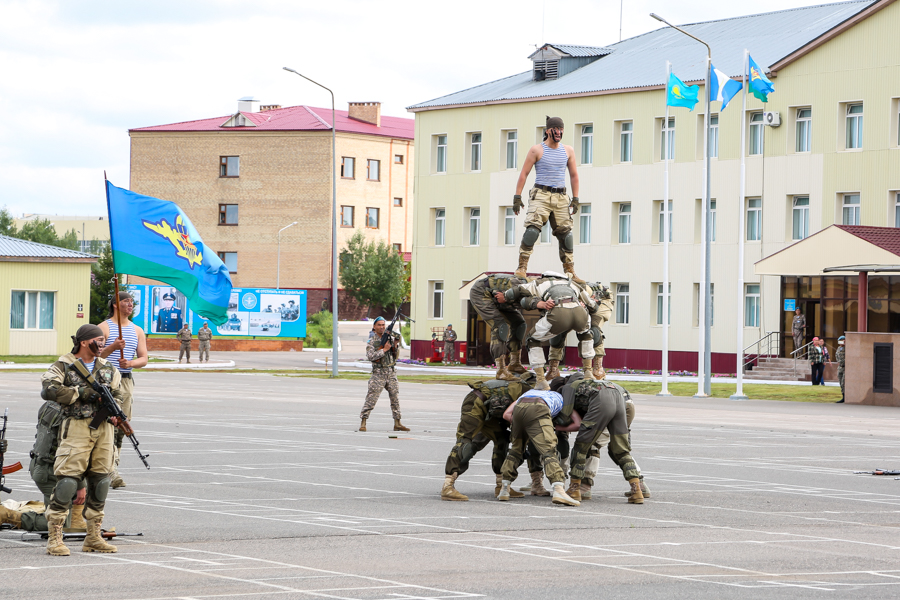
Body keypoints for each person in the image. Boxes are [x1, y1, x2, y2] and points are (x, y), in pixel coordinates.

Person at [40, 324, 125, 556]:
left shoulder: (107, 367)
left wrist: (116, 413)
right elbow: (48, 390)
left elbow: (118, 393)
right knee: (67, 482)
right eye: (100, 340)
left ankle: (93, 537)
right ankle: (55, 537)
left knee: (101, 481)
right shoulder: (64, 365)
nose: (104, 345)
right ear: (85, 342)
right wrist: (81, 393)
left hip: (104, 428)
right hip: (76, 427)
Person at [512, 116, 584, 283]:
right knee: (532, 231)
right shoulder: (537, 150)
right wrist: (517, 196)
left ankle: (570, 271)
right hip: (541, 194)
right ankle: (522, 266)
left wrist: (576, 198)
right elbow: (524, 173)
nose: (558, 132)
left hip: (561, 196)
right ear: (548, 130)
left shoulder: (568, 150)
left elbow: (574, 175)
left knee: (566, 235)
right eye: (555, 129)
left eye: (561, 129)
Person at [441, 375, 536, 501]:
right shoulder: (532, 395)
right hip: (476, 402)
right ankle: (448, 486)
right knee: (465, 441)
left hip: (491, 410)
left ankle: (501, 486)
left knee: (502, 439)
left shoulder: (526, 389)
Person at [496, 272, 597, 389]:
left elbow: (516, 290)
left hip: (558, 312)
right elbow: (593, 306)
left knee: (532, 339)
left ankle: (541, 380)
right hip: (580, 311)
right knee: (585, 334)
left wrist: (504, 296)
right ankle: (588, 372)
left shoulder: (538, 282)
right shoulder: (572, 283)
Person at [552, 374, 644, 504]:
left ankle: (574, 489)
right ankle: (637, 490)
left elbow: (565, 416)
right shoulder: (596, 382)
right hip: (620, 400)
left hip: (601, 403)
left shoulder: (569, 387)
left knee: (581, 447)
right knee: (621, 450)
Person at [497, 388, 581, 506]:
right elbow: (577, 424)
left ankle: (504, 488)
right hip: (539, 409)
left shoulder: (530, 392)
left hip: (519, 408)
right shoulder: (562, 399)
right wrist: (550, 428)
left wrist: (527, 427)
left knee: (516, 449)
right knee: (549, 450)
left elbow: (506, 414)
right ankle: (558, 490)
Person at [99, 291, 148, 489]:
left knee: (122, 424)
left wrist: (131, 362)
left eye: (132, 302)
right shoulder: (104, 327)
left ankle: (114, 467)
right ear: (115, 304)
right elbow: (95, 354)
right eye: (126, 301)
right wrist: (112, 347)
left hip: (126, 380)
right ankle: (105, 468)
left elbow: (144, 358)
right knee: (104, 424)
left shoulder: (137, 330)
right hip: (107, 380)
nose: (130, 305)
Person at [547, 282, 614, 379]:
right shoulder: (560, 291)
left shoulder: (596, 292)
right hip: (575, 307)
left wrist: (587, 304)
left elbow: (594, 308)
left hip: (600, 305)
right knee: (557, 333)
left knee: (593, 330)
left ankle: (598, 368)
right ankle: (553, 369)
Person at [468, 273, 528, 380]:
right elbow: (498, 292)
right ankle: (501, 370)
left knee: (519, 324)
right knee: (500, 326)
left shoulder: (537, 291)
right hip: (481, 292)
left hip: (500, 299)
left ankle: (515, 363)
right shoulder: (521, 288)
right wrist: (504, 296)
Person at [359, 317, 409, 432]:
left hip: (390, 372)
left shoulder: (389, 339)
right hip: (378, 374)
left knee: (395, 399)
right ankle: (363, 421)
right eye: (379, 325)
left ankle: (397, 423)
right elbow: (371, 357)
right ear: (374, 327)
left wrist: (395, 346)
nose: (382, 327)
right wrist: (384, 350)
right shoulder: (371, 341)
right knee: (371, 398)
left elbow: (394, 357)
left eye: (383, 325)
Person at [836, 336, 846, 403]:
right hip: (840, 367)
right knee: (840, 381)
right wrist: (838, 362)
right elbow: (836, 356)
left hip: (846, 367)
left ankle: (845, 397)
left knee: (843, 383)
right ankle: (843, 396)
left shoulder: (847, 348)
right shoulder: (839, 348)